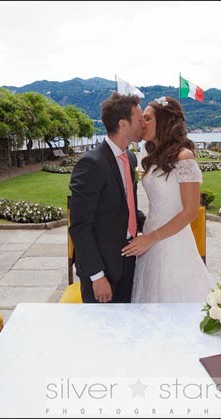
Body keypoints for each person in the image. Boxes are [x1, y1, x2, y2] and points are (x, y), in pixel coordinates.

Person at [122, 96, 213, 302]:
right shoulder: (154, 157)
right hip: (149, 238)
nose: (142, 124)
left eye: (147, 119)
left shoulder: (184, 157)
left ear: (164, 121)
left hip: (172, 242)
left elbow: (190, 212)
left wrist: (151, 238)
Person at [69, 92, 146, 303]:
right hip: (102, 270)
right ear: (123, 124)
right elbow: (80, 226)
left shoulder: (129, 158)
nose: (144, 125)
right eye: (140, 120)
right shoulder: (91, 164)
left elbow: (126, 207)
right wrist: (97, 276)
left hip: (129, 261)